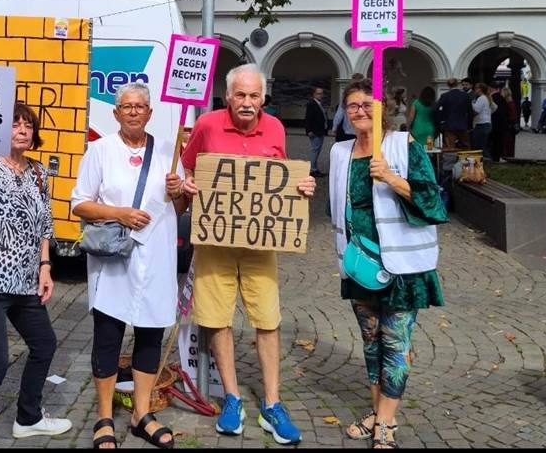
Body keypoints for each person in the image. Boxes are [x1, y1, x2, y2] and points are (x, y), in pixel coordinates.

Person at [174, 64, 316, 443]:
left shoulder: (276, 128)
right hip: (215, 242)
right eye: (241, 95)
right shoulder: (207, 125)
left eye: (255, 96)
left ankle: (272, 404)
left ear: (263, 98)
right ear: (229, 95)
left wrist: (301, 185)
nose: (248, 102)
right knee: (217, 319)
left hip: (261, 242)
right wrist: (188, 185)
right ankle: (233, 398)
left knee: (267, 319)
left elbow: (281, 175)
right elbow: (188, 169)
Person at [329, 79, 448, 450]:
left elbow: (434, 204)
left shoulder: (402, 145)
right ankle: (378, 411)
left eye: (367, 104)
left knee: (395, 343)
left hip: (402, 266)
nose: (360, 111)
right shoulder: (340, 153)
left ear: (381, 109)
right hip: (360, 264)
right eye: (352, 106)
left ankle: (386, 422)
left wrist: (393, 179)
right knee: (371, 343)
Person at [71, 83, 188, 449]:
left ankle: (141, 414)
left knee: (150, 334)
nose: (134, 111)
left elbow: (179, 209)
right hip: (115, 259)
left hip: (156, 258)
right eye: (127, 106)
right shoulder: (100, 150)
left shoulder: (169, 151)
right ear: (116, 113)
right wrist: (118, 213)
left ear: (150, 113)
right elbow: (80, 204)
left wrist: (178, 193)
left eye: (140, 106)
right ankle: (105, 416)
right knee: (108, 335)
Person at [0, 103, 72, 449]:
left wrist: (45, 267)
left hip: (23, 282)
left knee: (44, 344)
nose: (22, 130)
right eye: (14, 124)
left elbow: (45, 224)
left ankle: (28, 418)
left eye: (28, 125)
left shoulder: (38, 172)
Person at [434, 78, 471, 150]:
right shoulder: (465, 95)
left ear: (448, 85)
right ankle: (466, 160)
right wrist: (469, 124)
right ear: (457, 84)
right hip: (462, 125)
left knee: (450, 147)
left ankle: (451, 161)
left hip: (449, 125)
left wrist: (441, 119)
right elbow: (470, 111)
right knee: (466, 146)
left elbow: (436, 108)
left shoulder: (445, 96)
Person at [333, 73, 365, 142]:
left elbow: (339, 114)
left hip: (348, 130)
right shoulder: (367, 95)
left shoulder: (347, 95)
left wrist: (335, 127)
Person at [304, 86, 328, 177]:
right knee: (315, 150)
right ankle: (313, 169)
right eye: (318, 93)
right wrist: (309, 130)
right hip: (315, 131)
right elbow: (308, 118)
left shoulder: (319, 104)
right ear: (314, 94)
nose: (321, 95)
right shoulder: (312, 104)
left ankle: (315, 168)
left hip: (320, 130)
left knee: (317, 150)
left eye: (322, 93)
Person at [470, 83, 493, 158]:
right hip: (486, 124)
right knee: (483, 145)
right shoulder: (486, 98)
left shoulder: (481, 98)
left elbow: (476, 110)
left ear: (480, 89)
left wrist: (471, 104)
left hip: (481, 124)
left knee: (478, 146)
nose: (474, 90)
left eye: (476, 88)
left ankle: (486, 162)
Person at [489, 84, 509, 162]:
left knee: (493, 142)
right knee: (499, 142)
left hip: (493, 123)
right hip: (501, 124)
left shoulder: (491, 98)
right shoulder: (502, 98)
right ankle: (497, 157)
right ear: (498, 89)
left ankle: (493, 157)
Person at [501, 87, 519, 159]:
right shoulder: (511, 102)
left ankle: (507, 156)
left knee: (507, 142)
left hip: (508, 126)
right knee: (510, 143)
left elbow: (512, 115)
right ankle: (509, 155)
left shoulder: (508, 103)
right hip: (510, 125)